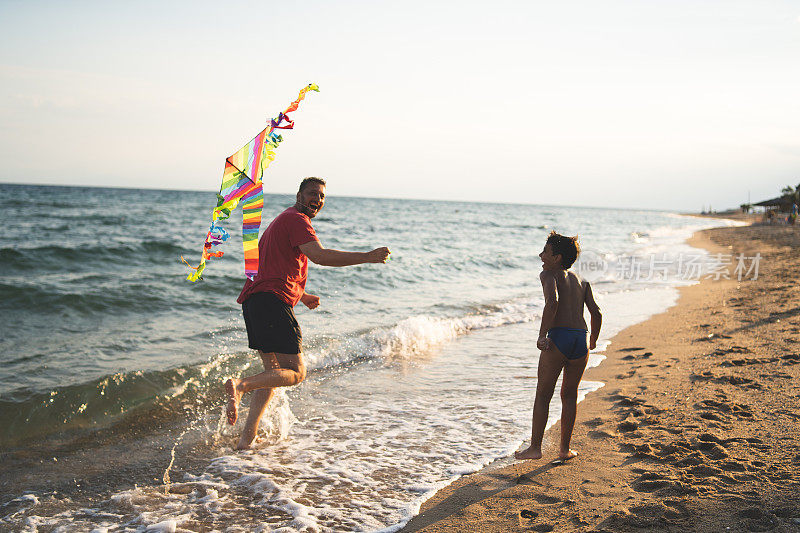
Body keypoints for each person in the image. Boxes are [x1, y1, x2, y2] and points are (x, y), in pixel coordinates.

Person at [225, 177, 391, 450]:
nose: (318, 199)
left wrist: (301, 295)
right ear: (299, 194)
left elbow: (272, 266)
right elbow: (320, 256)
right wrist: (367, 256)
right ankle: (240, 385)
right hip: (271, 302)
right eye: (313, 193)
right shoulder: (296, 220)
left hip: (256, 301)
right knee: (296, 373)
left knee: (272, 373)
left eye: (322, 196)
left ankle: (246, 439)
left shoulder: (284, 219)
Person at [515, 232, 602, 462]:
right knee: (569, 396)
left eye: (545, 251)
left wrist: (542, 335)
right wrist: (593, 340)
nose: (541, 255)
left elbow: (551, 303)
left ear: (557, 257)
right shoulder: (582, 280)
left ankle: (535, 448)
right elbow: (596, 312)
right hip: (580, 340)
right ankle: (564, 449)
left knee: (543, 395)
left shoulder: (548, 274)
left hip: (558, 339)